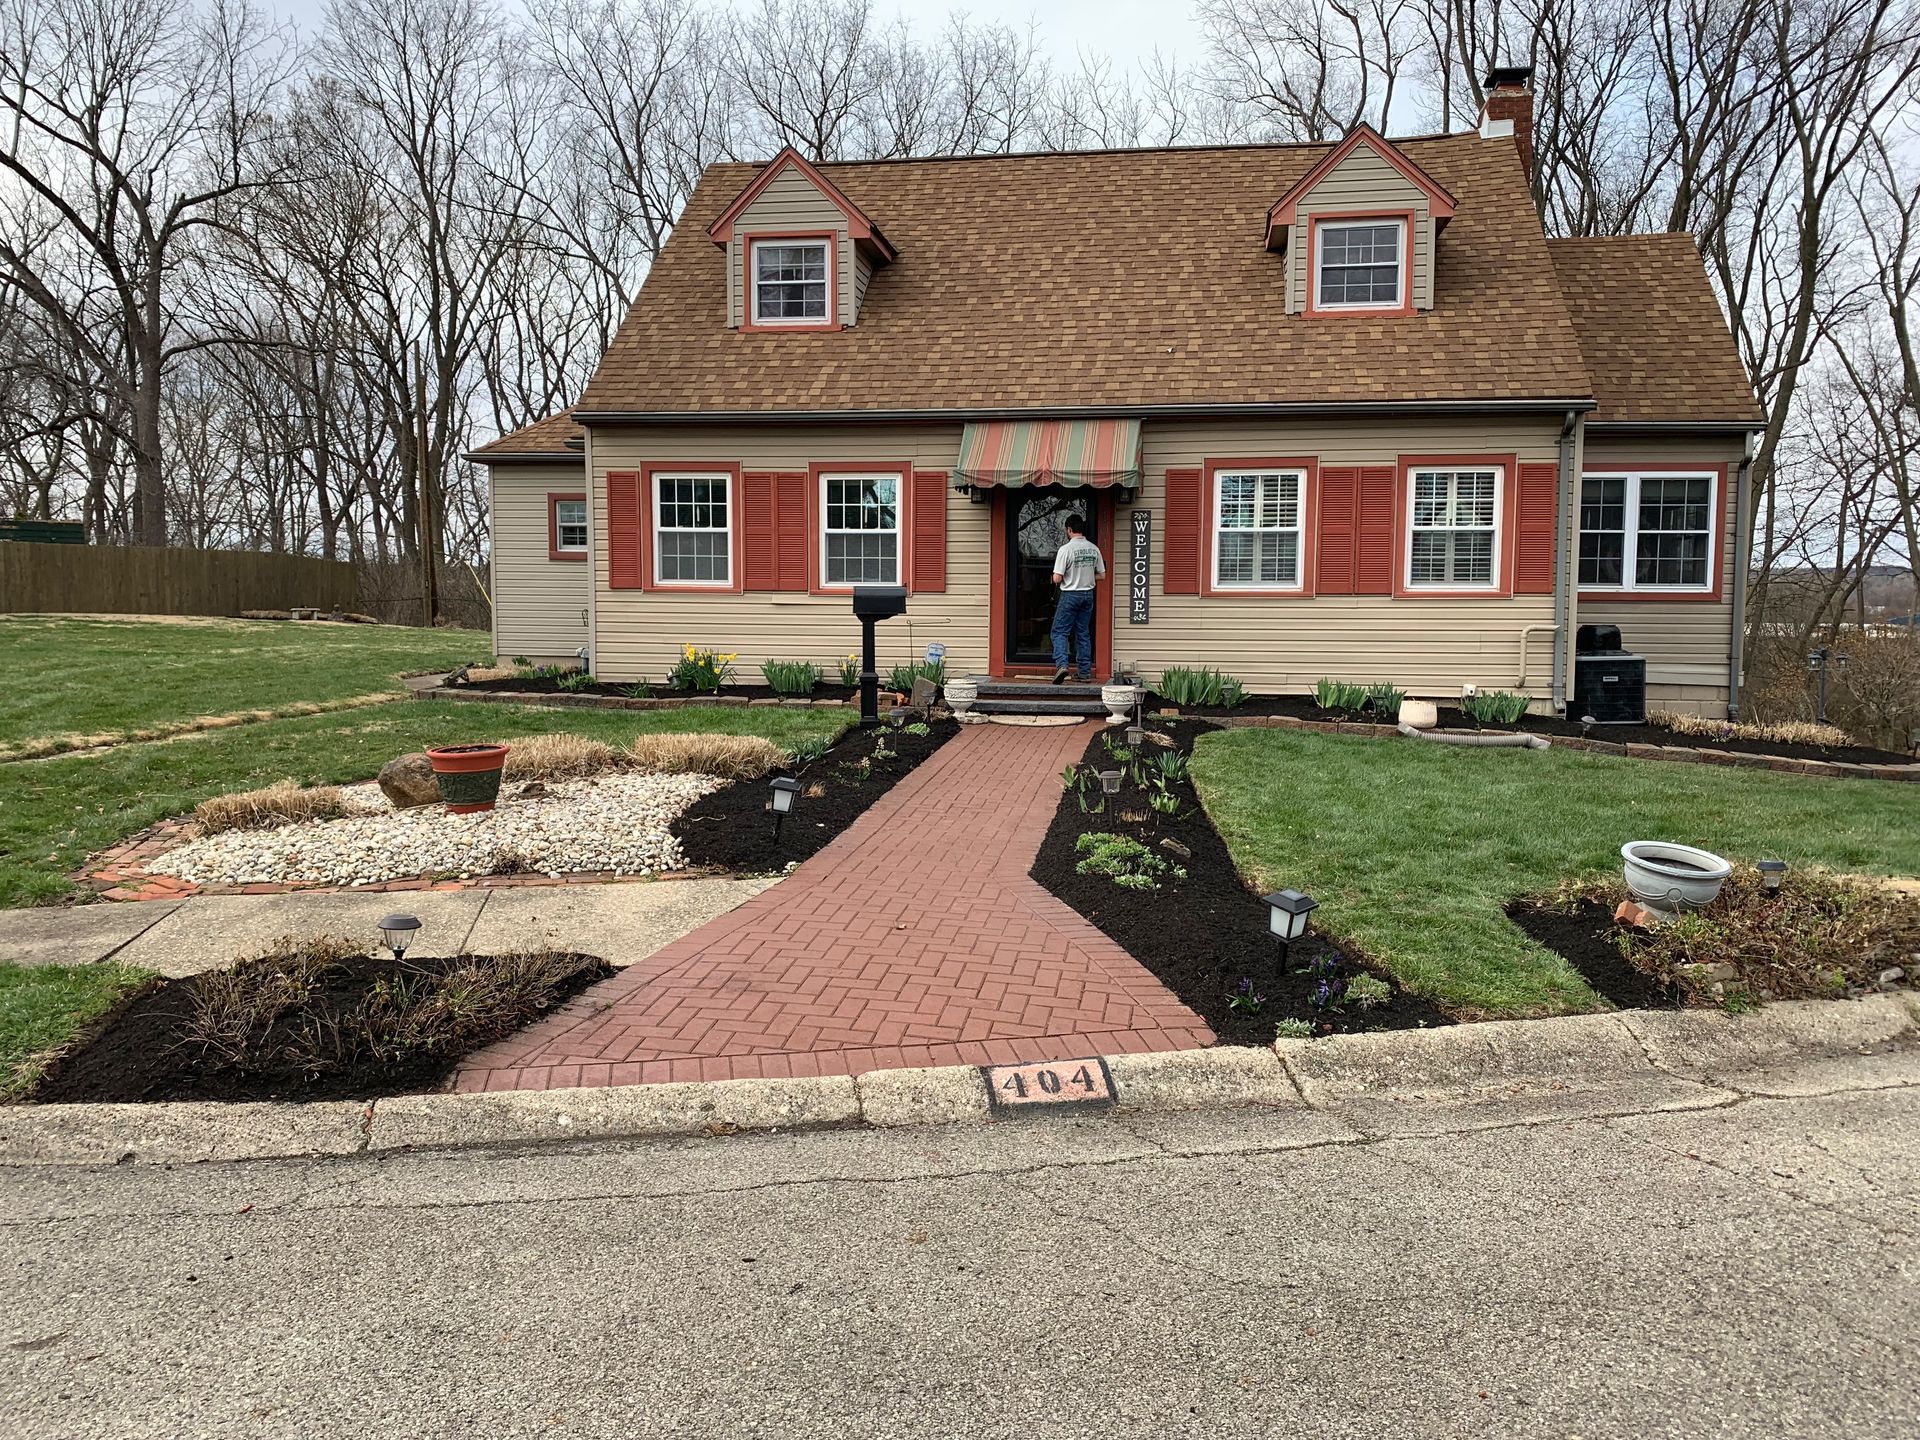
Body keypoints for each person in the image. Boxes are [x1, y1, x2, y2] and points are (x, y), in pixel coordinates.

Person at [1049, 513, 1105, 683]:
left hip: (1070, 595)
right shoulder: (1094, 549)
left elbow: (1057, 578)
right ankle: (1084, 672)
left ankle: (1062, 666)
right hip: (1087, 595)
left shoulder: (1066, 550)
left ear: (1069, 529)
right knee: (1082, 633)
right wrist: (1085, 576)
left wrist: (1054, 578)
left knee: (1059, 632)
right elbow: (1102, 575)